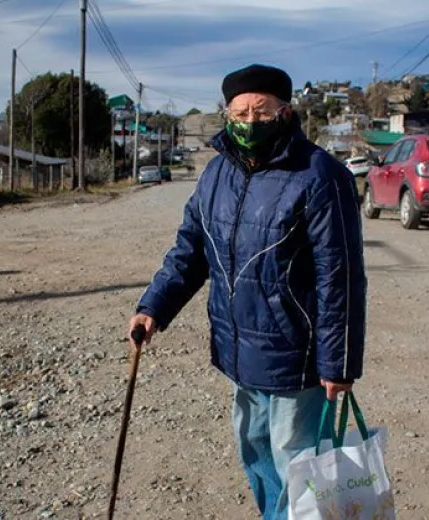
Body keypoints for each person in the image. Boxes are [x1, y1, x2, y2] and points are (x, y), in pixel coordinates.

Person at [128, 63, 367, 520]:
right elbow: (190, 250)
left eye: (261, 111)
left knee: (298, 466)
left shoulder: (321, 175)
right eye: (239, 113)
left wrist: (338, 364)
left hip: (297, 357)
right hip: (239, 352)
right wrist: (154, 304)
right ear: (226, 115)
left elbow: (341, 279)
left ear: (286, 111)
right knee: (257, 455)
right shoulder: (216, 174)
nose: (250, 121)